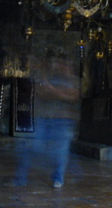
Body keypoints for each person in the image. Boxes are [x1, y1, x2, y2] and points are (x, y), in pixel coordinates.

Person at [14, 52, 79, 188]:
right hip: (43, 117)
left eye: (59, 63)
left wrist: (52, 91)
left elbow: (72, 97)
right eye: (53, 62)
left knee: (60, 153)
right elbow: (39, 92)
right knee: (30, 147)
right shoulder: (46, 76)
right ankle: (20, 178)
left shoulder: (71, 80)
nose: (55, 65)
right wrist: (55, 91)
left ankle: (58, 178)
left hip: (62, 120)